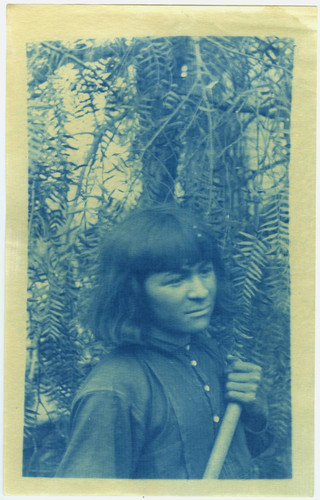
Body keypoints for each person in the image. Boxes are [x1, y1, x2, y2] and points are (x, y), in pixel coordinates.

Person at [55, 205, 270, 479]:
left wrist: (254, 413)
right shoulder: (114, 390)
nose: (201, 292)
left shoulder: (208, 355)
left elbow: (240, 460)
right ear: (134, 292)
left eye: (204, 272)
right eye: (175, 281)